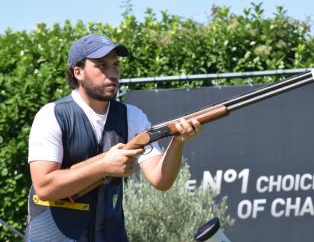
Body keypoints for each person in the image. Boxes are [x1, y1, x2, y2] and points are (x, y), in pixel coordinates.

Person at [25, 34, 201, 242]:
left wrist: (177, 143)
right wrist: (103, 166)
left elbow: (160, 180)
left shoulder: (132, 116)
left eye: (115, 65)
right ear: (78, 72)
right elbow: (44, 186)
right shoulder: (52, 115)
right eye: (101, 66)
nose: (112, 74)